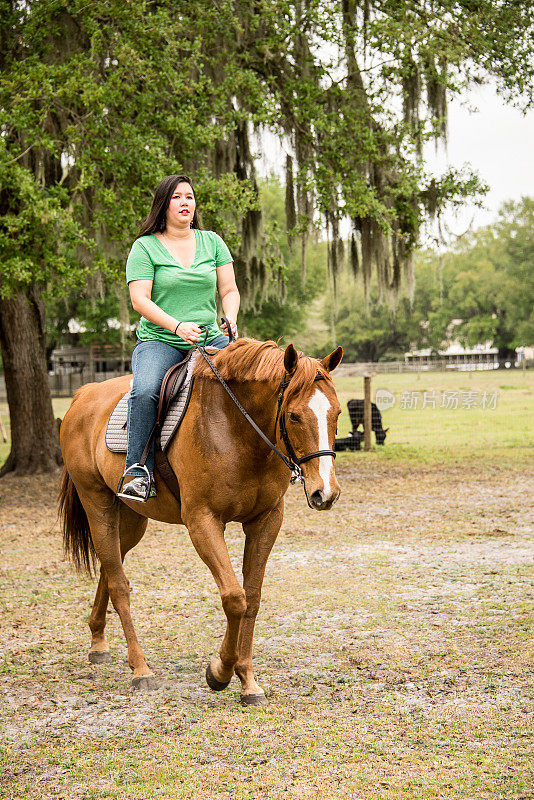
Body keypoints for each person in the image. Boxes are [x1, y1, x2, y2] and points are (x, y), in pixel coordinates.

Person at [118, 174, 240, 501]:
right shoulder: (144, 247)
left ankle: (275, 458)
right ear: (164, 204)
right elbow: (139, 300)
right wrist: (177, 327)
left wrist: (230, 318)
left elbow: (228, 289)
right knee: (144, 391)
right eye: (176, 197)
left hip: (210, 338)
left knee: (256, 377)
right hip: (161, 340)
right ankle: (136, 471)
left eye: (189, 196)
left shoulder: (212, 242)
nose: (185, 202)